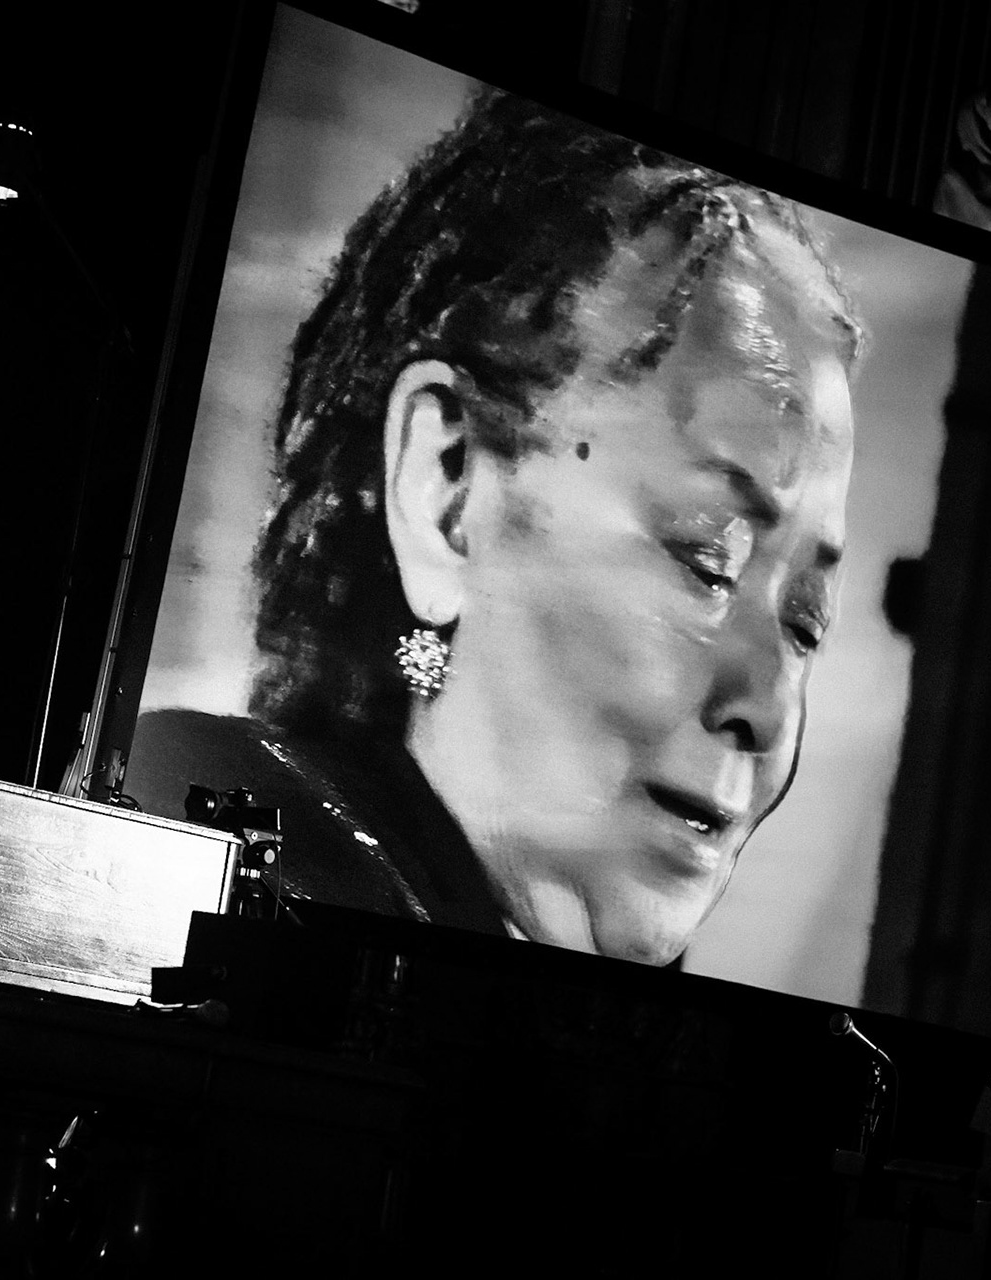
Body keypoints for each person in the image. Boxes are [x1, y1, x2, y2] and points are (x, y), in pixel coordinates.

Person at [131, 85, 863, 967]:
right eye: (709, 557)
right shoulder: (189, 862)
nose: (768, 706)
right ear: (444, 485)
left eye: (805, 624)